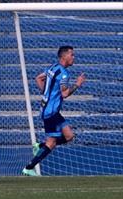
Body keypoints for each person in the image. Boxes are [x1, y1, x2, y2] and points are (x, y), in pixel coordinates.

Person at [22, 46, 86, 176]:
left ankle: (40, 146)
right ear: (64, 57)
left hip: (50, 110)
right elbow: (65, 94)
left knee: (69, 136)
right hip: (50, 112)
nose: (73, 57)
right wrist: (78, 84)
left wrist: (46, 94)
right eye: (72, 55)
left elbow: (38, 78)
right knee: (51, 142)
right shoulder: (63, 73)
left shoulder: (53, 67)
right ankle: (29, 167)